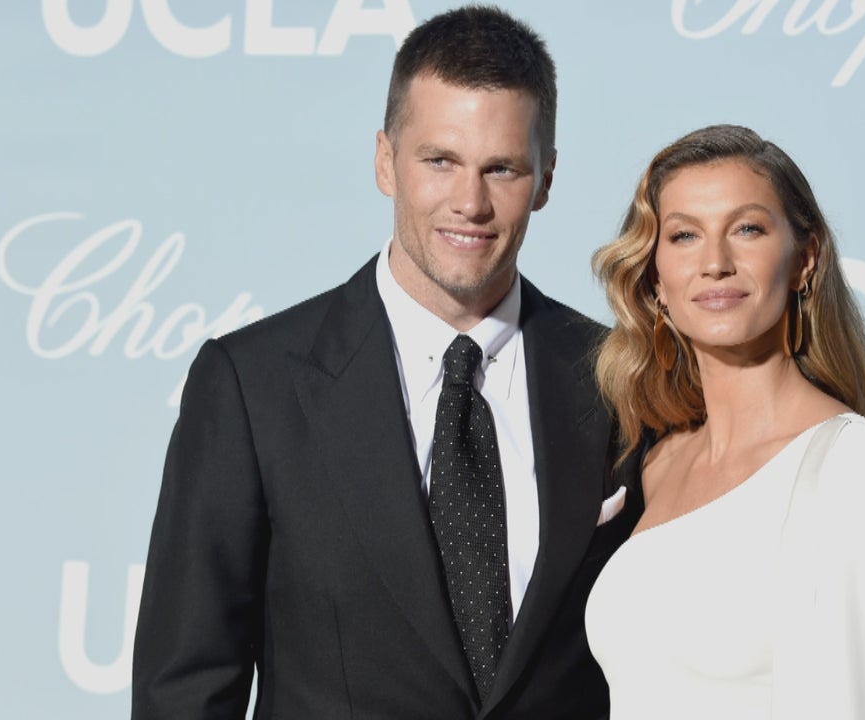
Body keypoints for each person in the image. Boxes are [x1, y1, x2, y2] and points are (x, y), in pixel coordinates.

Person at [131, 7, 640, 719]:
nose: (470, 202)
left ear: (546, 179)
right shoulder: (253, 385)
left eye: (502, 169)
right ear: (384, 161)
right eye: (440, 161)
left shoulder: (619, 378)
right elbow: (184, 689)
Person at [585, 125, 865, 718]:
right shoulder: (656, 463)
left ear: (805, 260)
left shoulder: (851, 465)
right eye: (685, 235)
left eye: (747, 229)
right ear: (656, 280)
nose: (715, 263)